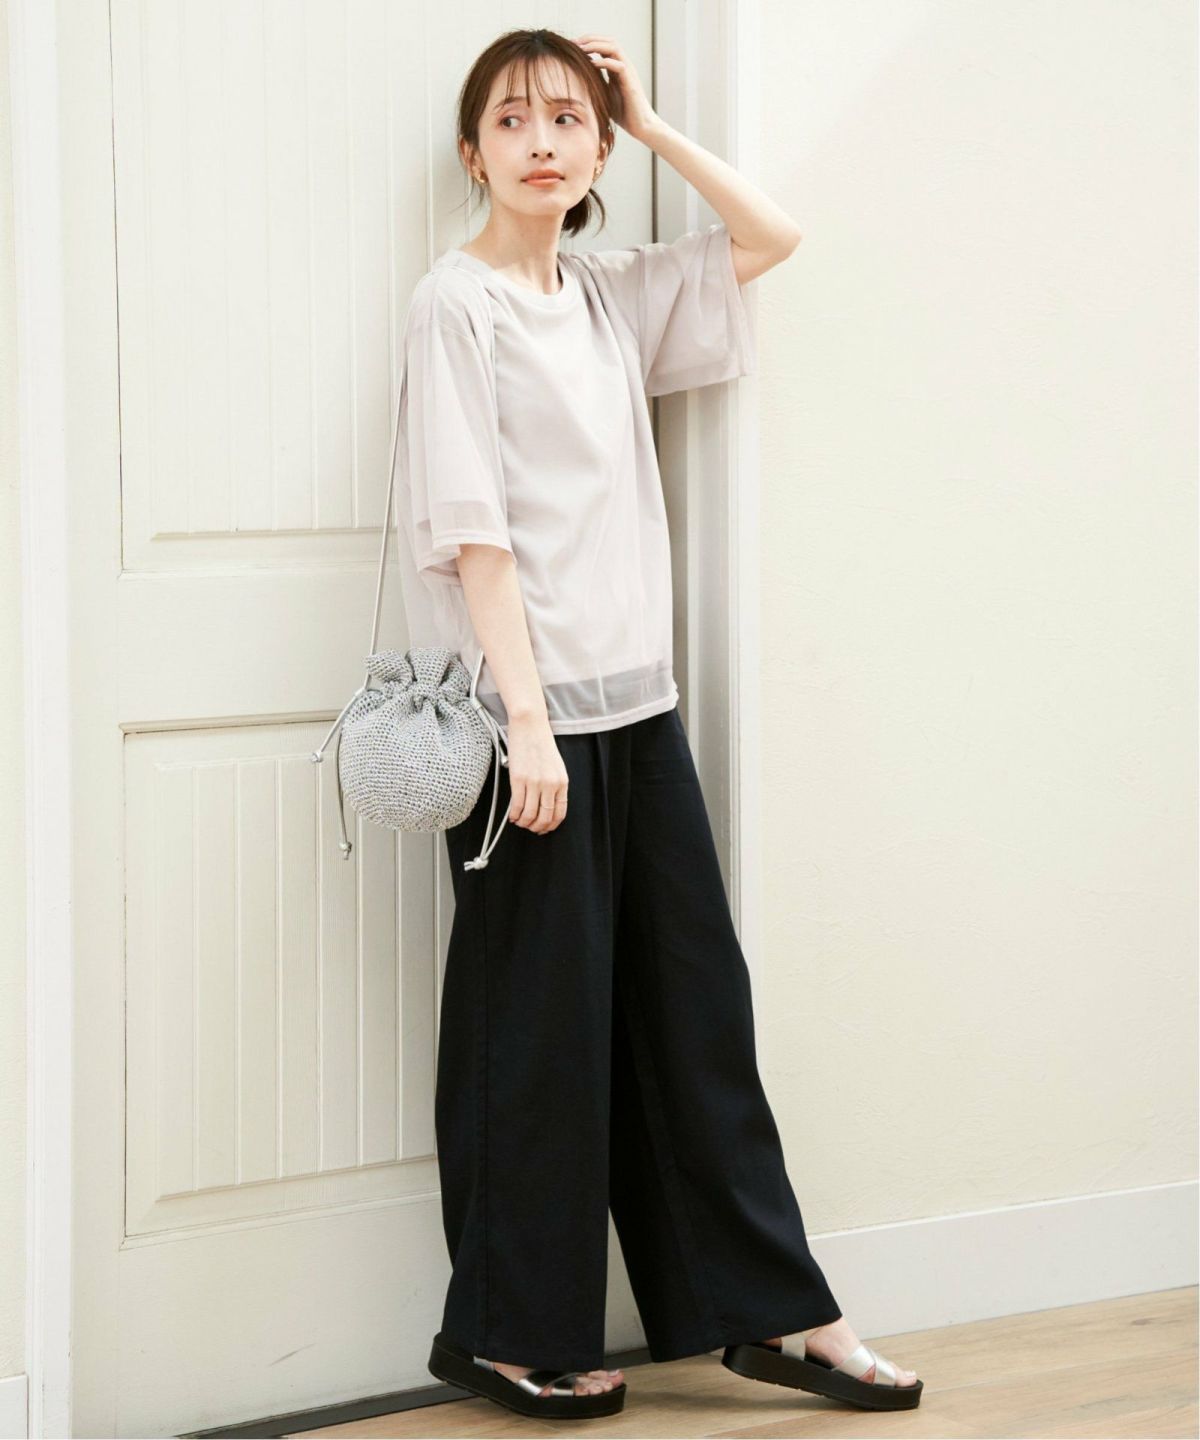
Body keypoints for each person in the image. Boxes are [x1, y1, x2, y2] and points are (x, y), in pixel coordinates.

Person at [394, 26, 923, 1421]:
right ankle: (509, 1330)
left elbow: (773, 236)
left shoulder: (611, 295)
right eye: (514, 120)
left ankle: (777, 1310)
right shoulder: (455, 306)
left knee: (696, 1020)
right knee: (537, 1039)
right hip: (527, 731)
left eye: (569, 117)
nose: (543, 141)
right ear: (473, 153)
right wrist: (525, 725)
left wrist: (652, 120)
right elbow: (473, 532)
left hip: (639, 710)